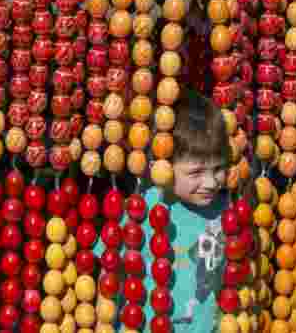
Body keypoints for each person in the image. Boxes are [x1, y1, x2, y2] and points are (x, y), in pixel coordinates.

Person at [95, 91, 231, 333]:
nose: (211, 182)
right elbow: (109, 274)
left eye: (219, 168)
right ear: (163, 165)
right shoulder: (141, 212)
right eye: (196, 173)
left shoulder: (228, 214)